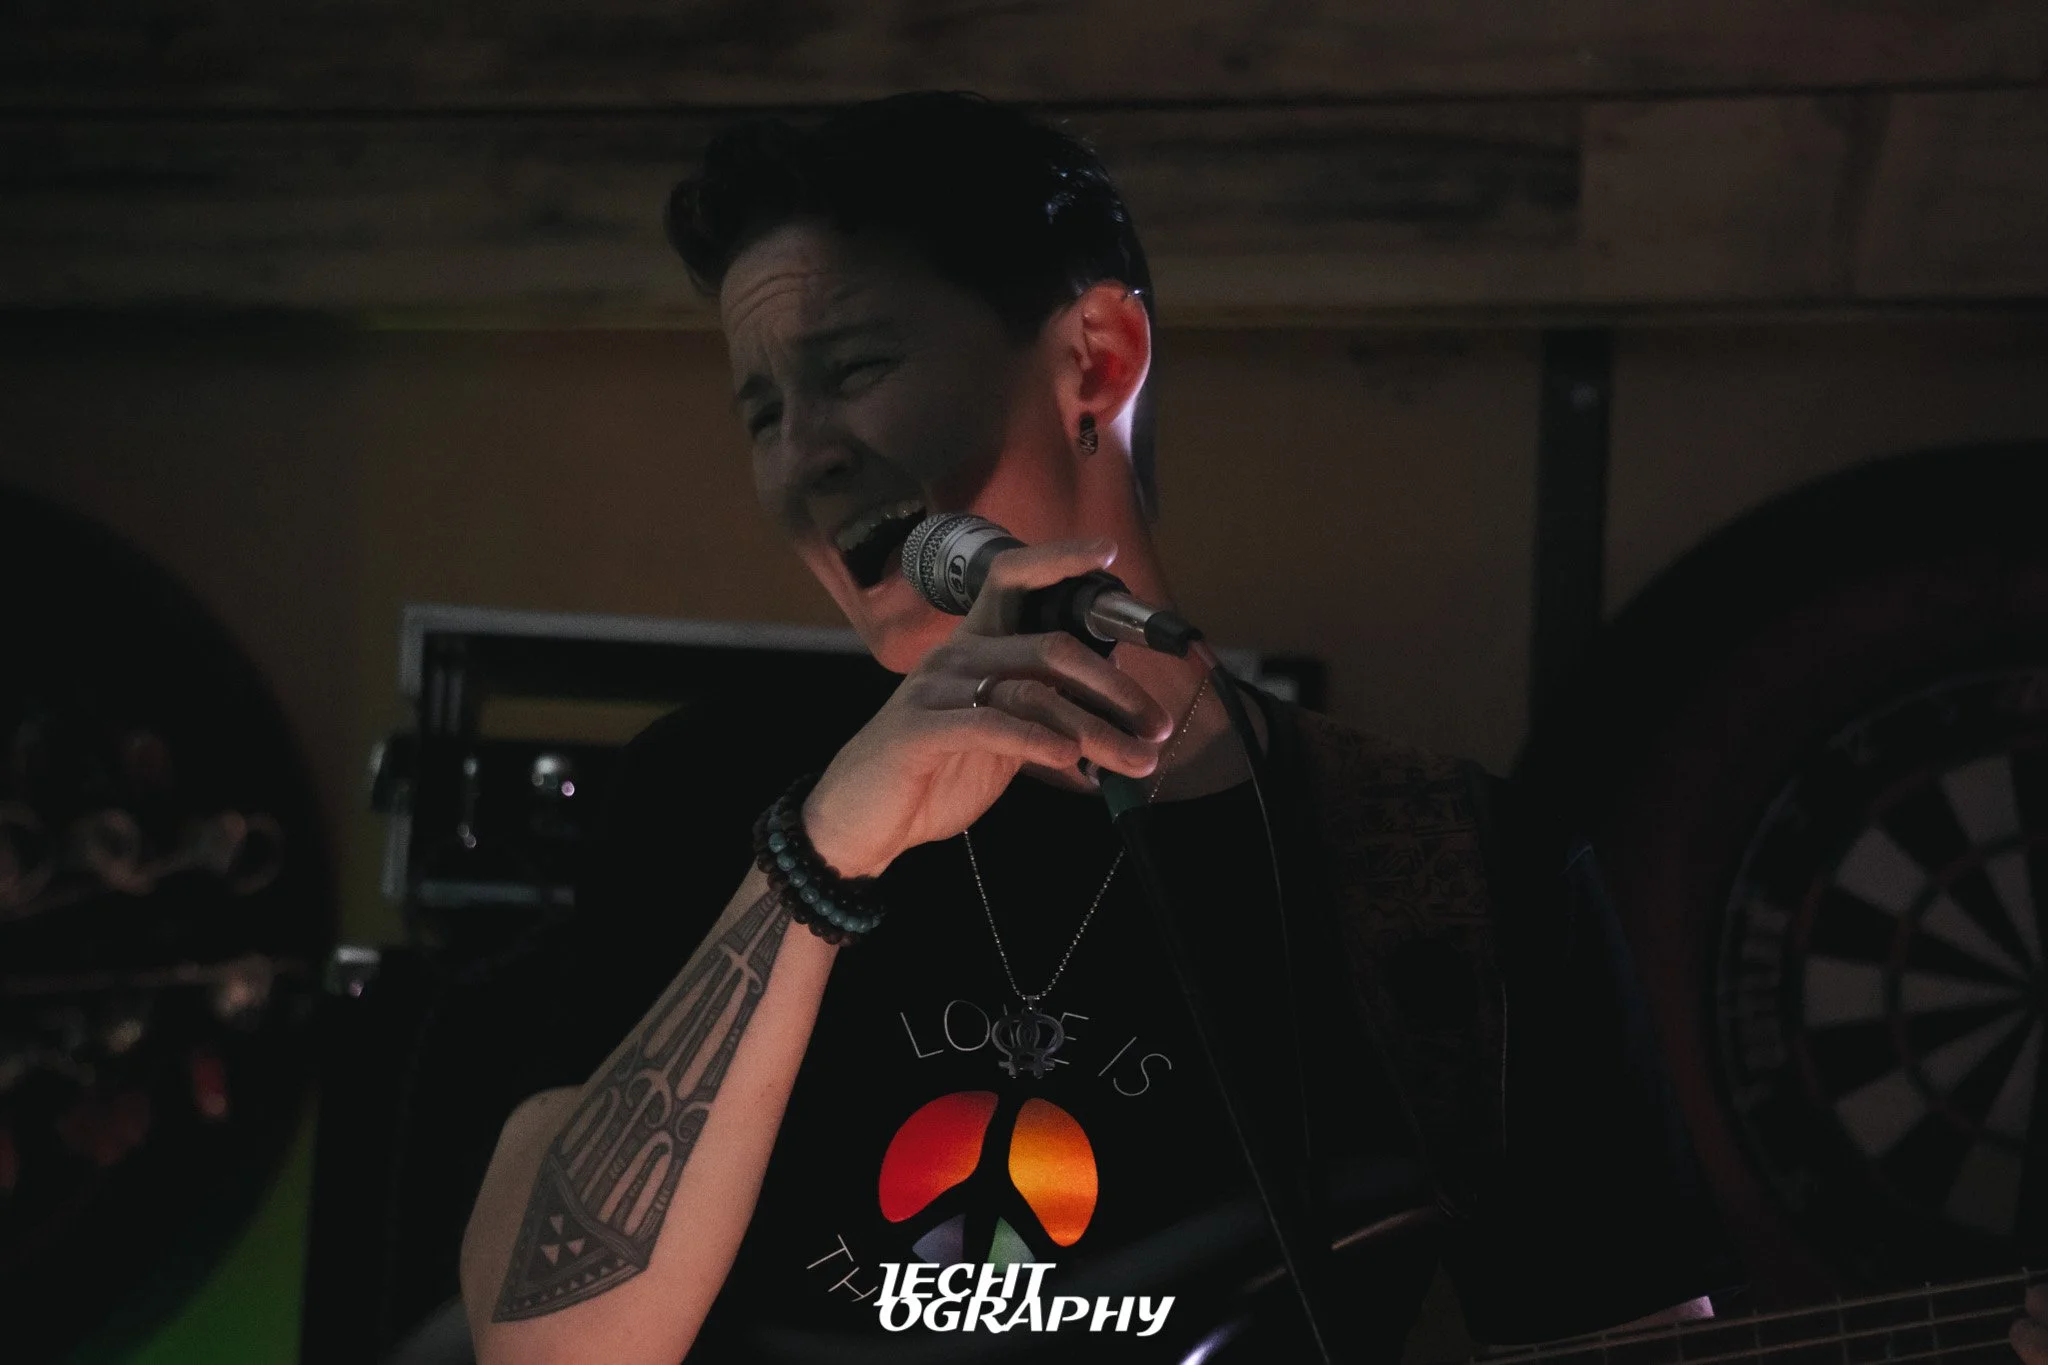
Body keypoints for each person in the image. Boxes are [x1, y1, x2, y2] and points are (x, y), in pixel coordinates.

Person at [455, 91, 1753, 1365]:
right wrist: (818, 859)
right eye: (761, 415)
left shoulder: (1461, 871)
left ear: (1096, 359)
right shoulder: (712, 788)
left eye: (854, 370)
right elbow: (547, 1347)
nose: (805, 459)